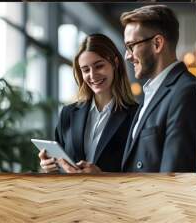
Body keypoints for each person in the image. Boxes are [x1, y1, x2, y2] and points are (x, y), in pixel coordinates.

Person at [39, 33, 138, 173]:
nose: (92, 75)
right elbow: (60, 165)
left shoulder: (136, 115)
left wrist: (101, 176)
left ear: (115, 63)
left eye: (99, 66)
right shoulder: (68, 113)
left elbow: (139, 172)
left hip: (112, 194)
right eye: (86, 70)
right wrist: (48, 166)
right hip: (71, 194)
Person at [120, 5, 196, 172]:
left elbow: (174, 177)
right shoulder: (151, 92)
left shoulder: (186, 92)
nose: (127, 56)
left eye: (131, 46)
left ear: (157, 43)